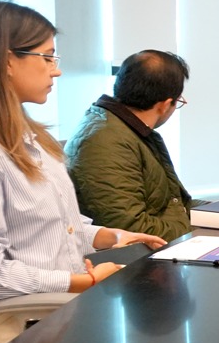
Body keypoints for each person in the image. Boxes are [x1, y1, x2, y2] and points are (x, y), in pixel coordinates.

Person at [0, 0, 166, 343]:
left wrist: (107, 236)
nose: (57, 71)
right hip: (19, 326)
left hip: (61, 311)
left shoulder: (23, 133)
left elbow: (46, 229)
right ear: (7, 60)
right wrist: (79, 281)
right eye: (47, 58)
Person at [66, 50, 201, 238]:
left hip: (165, 243)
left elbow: (176, 203)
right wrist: (197, 233)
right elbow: (130, 228)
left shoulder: (132, 130)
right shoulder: (106, 142)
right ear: (164, 105)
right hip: (143, 253)